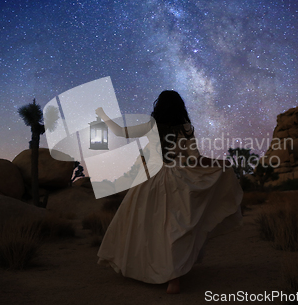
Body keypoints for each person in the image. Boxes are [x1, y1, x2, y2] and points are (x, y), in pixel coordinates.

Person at [95, 90, 243, 294]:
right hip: (178, 180)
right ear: (179, 107)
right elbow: (195, 159)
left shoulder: (150, 125)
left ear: (159, 106)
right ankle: (173, 278)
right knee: (175, 228)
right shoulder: (186, 128)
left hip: (151, 180)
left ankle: (151, 269)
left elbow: (121, 132)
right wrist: (221, 164)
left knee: (148, 226)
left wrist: (103, 116)